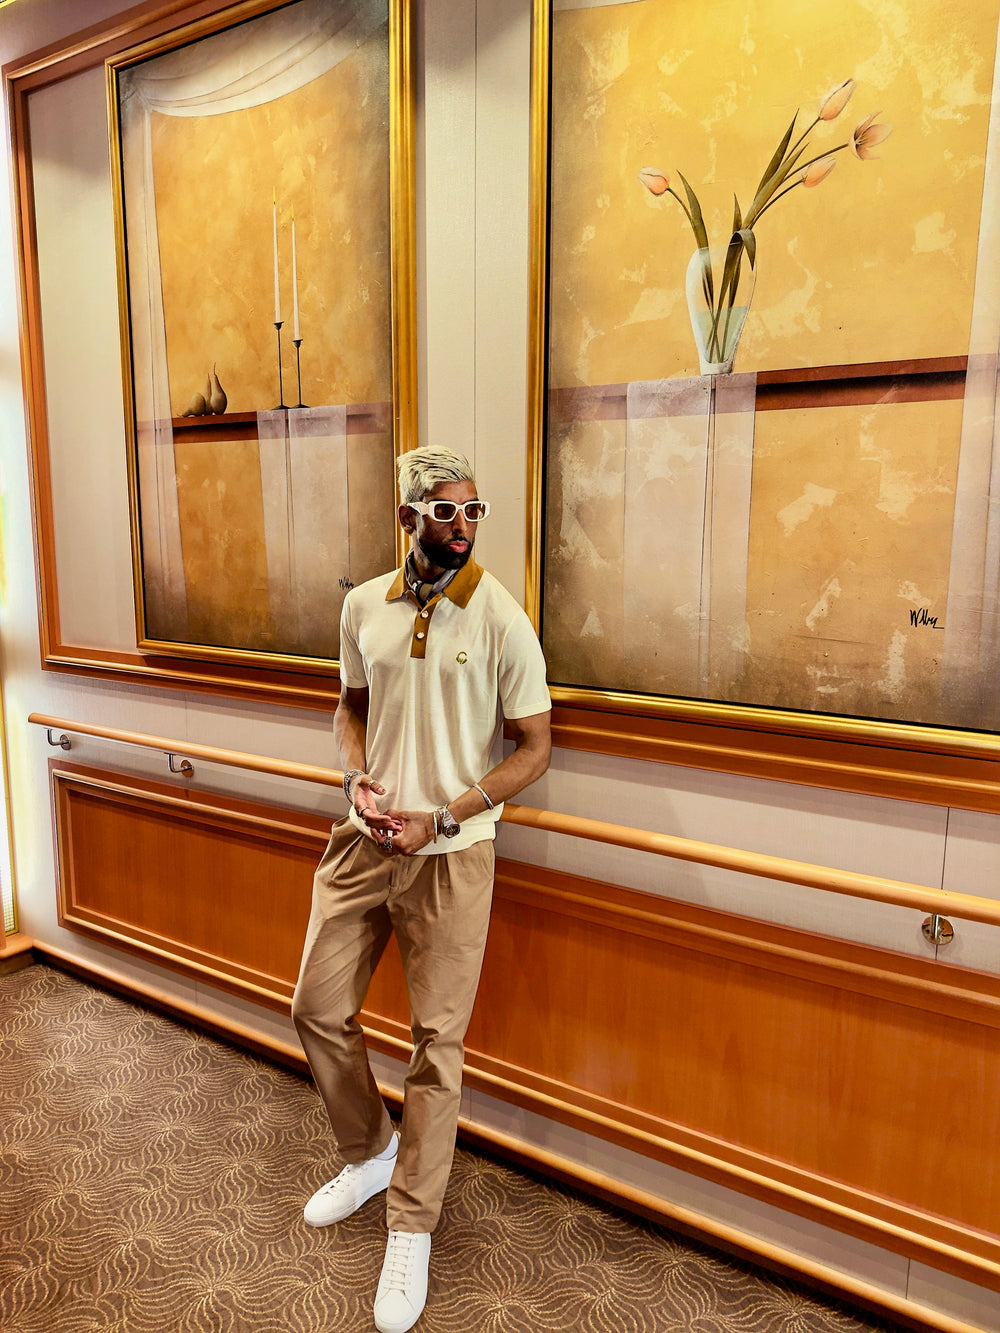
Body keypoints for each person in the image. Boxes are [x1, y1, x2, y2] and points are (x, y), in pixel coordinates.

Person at [292, 446, 551, 1333]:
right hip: (363, 841)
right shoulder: (363, 605)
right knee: (316, 1006)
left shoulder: (502, 616)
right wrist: (353, 777)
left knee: (437, 1046)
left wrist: (443, 816)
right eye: (448, 511)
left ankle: (411, 1223)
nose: (465, 524)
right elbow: (350, 705)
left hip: (452, 853)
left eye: (475, 510)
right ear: (409, 518)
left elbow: (534, 747)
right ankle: (370, 1151)